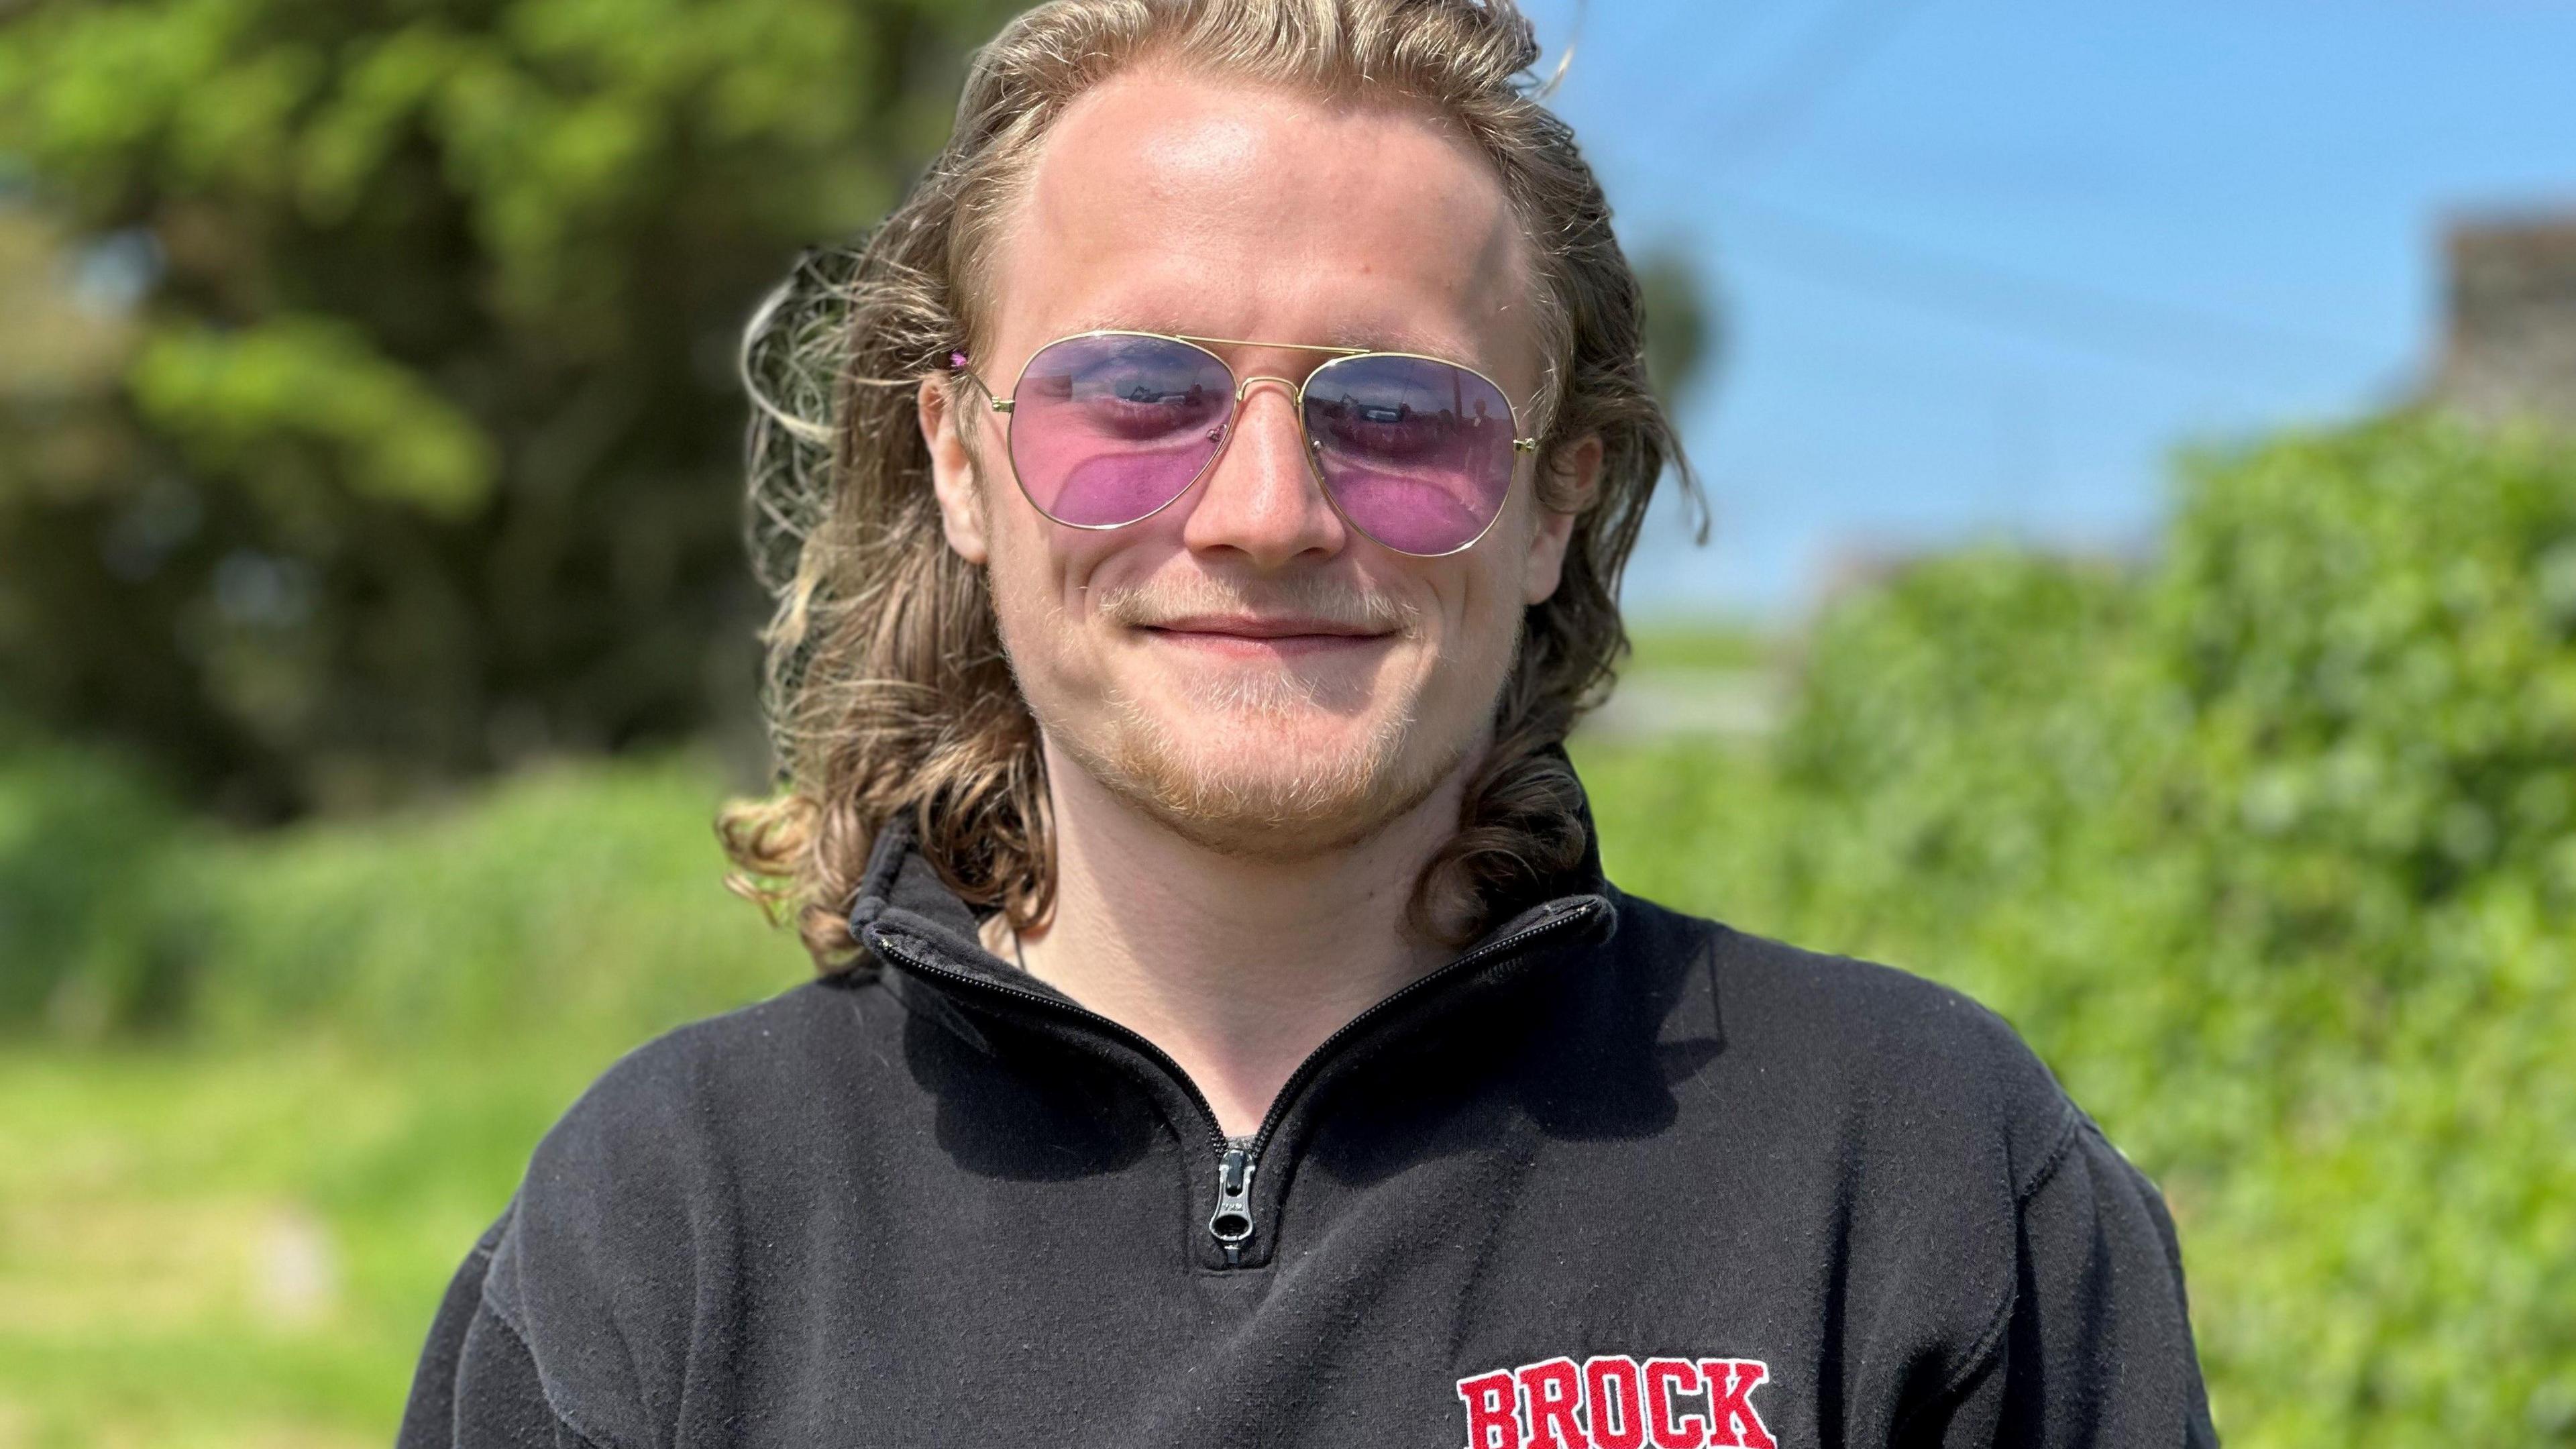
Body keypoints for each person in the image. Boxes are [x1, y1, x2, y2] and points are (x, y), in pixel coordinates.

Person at [398, 1, 2219, 1444]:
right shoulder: (672, 1233)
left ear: (1555, 501)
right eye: (1137, 396)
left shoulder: (1916, 1180)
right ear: (962, 461)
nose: (1266, 511)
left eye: (1401, 416)